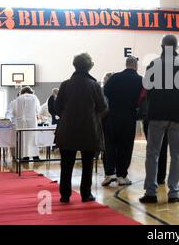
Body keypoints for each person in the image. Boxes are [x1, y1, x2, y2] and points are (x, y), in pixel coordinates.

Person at [140, 34, 179, 204]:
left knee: (152, 154)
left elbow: (147, 89)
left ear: (161, 46)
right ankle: (174, 192)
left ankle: (151, 192)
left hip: (157, 114)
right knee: (177, 154)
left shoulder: (153, 65)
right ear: (177, 48)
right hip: (178, 116)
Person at [55, 53, 107, 203]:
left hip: (67, 130)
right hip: (89, 129)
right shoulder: (94, 85)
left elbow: (57, 107)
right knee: (87, 163)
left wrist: (67, 117)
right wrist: (94, 117)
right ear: (89, 66)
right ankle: (86, 194)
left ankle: (65, 195)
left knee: (66, 164)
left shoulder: (65, 84)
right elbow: (103, 107)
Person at [104, 56, 143, 186]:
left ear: (126, 64)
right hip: (129, 116)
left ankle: (110, 173)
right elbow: (142, 98)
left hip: (113, 115)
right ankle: (122, 175)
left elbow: (106, 92)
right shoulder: (140, 80)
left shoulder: (115, 77)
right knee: (125, 146)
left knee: (110, 145)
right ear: (136, 65)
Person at [9, 86, 41, 161]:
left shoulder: (18, 98)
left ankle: (24, 157)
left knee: (23, 139)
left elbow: (14, 112)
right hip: (32, 122)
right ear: (31, 91)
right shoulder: (34, 97)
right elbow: (38, 110)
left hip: (21, 122)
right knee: (33, 139)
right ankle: (35, 157)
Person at [101, 72, 117, 186]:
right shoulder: (104, 91)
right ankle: (110, 172)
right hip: (107, 122)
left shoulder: (105, 91)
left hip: (108, 122)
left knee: (108, 149)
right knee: (109, 149)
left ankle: (110, 172)